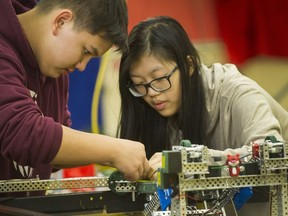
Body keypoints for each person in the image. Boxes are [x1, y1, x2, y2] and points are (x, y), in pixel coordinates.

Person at [117, 16, 288, 215]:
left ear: (188, 66)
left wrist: (190, 160)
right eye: (139, 84)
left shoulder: (238, 93)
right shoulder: (160, 109)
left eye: (159, 79)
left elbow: (271, 157)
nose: (152, 92)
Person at [0, 0, 150, 197]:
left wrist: (119, 158)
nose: (81, 66)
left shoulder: (54, 72)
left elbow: (52, 154)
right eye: (86, 51)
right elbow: (22, 132)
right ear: (61, 21)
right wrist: (113, 149)